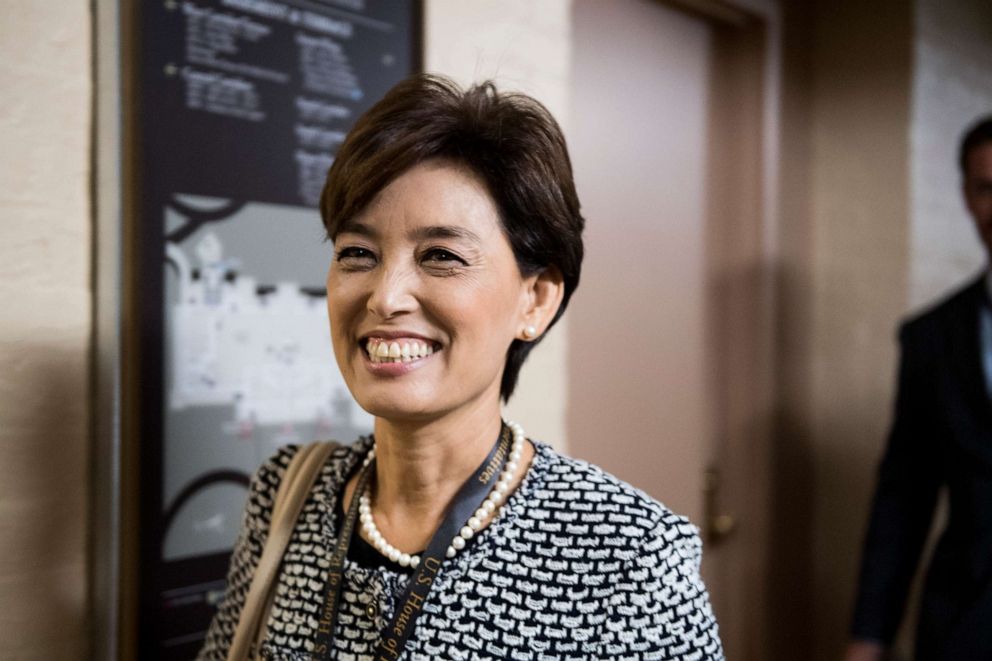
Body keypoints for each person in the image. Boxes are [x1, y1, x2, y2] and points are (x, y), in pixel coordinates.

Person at [197, 74, 723, 660]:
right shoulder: (287, 495)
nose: (385, 297)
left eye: (441, 256)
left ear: (537, 300)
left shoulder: (629, 558)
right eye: (357, 254)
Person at [845, 115, 992, 661]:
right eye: (987, 189)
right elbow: (904, 498)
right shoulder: (930, 337)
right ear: (967, 197)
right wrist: (868, 636)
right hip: (963, 626)